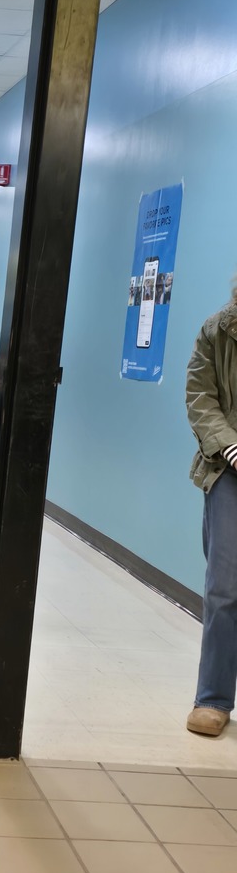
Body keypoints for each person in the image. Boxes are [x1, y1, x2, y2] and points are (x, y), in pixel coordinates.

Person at [185, 286, 237, 737]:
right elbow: (200, 396)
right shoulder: (217, 331)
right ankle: (214, 699)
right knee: (224, 587)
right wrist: (229, 445)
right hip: (229, 471)